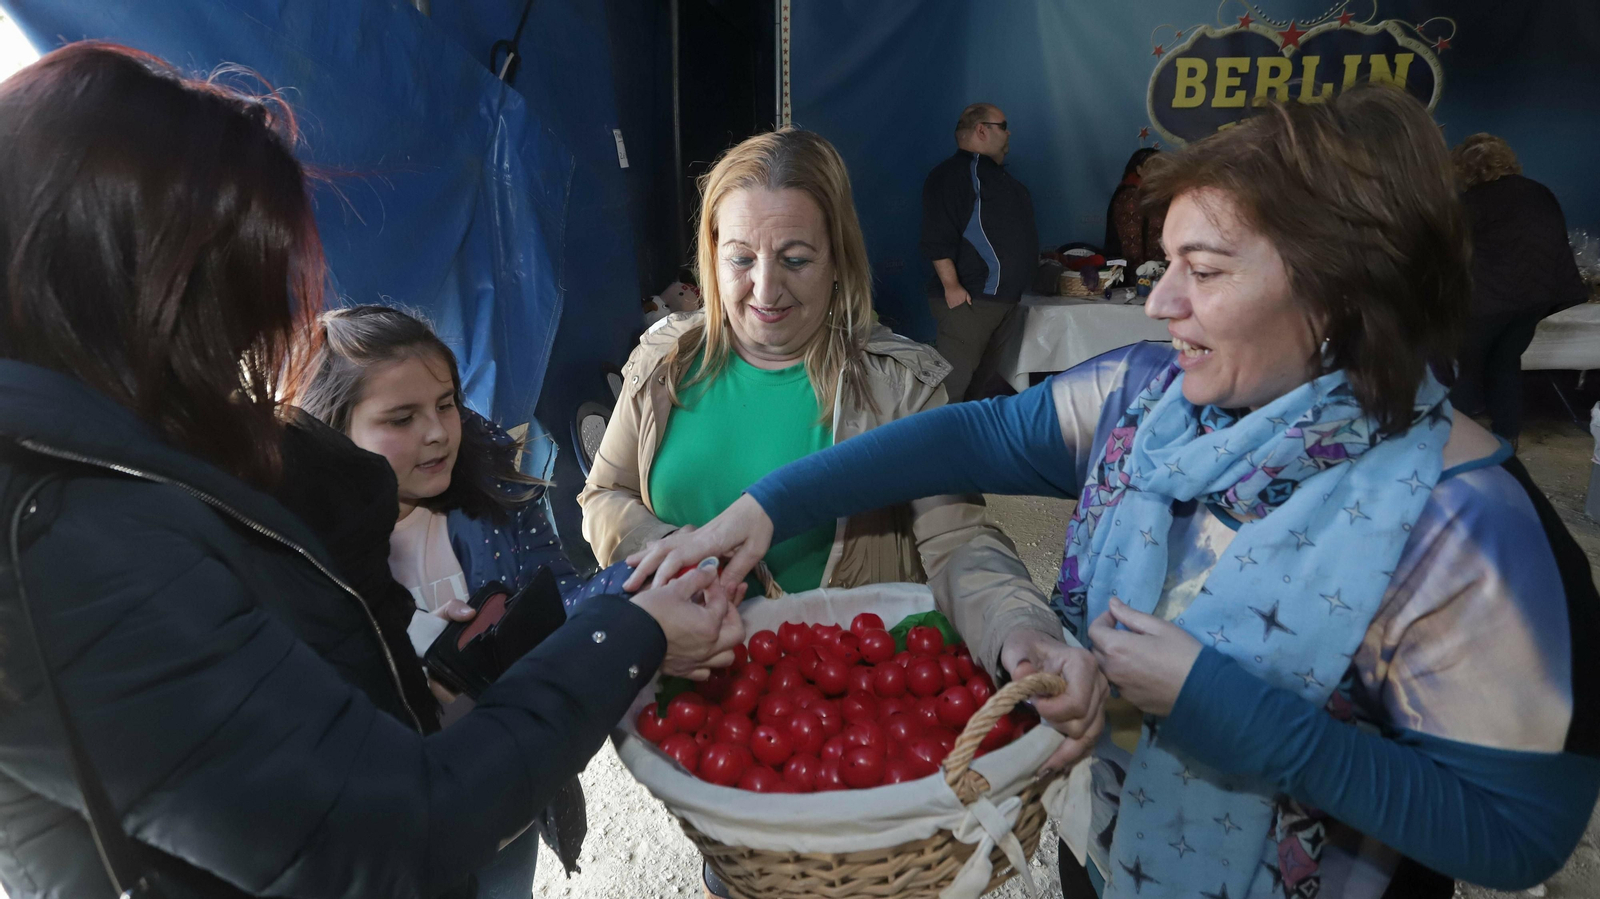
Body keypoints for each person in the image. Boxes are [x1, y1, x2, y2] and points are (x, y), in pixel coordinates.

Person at [626, 86, 1600, 899]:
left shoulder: (1464, 524)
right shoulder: (1147, 398)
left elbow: (1518, 834)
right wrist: (763, 509)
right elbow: (964, 436)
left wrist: (1227, 709)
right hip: (1106, 856)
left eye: (1202, 271)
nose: (1161, 301)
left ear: (1338, 292)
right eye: (1167, 264)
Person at [0, 43, 741, 898]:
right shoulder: (66, 540)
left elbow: (282, 696)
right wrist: (629, 633)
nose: (247, 341)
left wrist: (424, 677)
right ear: (120, 287)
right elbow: (392, 832)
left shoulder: (127, 464)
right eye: (229, 303)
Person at [580, 126, 1105, 898]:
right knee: (738, 872)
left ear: (839, 259)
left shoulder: (899, 386)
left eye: (795, 258)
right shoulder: (663, 363)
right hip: (712, 713)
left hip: (844, 730)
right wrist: (674, 548)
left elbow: (960, 541)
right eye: (740, 257)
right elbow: (604, 496)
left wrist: (1021, 629)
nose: (765, 288)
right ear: (710, 255)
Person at [285, 304, 646, 896]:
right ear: (332, 432)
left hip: (508, 800)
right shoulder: (300, 558)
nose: (436, 432)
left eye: (446, 403)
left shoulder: (489, 488)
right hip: (395, 836)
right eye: (401, 418)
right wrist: (407, 664)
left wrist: (640, 584)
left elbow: (559, 595)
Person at [1449, 133, 1589, 441]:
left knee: (1465, 371)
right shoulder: (1538, 192)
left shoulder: (1470, 203)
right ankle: (1507, 438)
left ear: (1464, 168)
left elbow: (1448, 255)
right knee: (1506, 366)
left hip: (1485, 303)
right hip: (1534, 299)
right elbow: (1556, 244)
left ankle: (1454, 444)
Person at [921, 102, 1039, 401]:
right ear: (981, 130)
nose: (1009, 133)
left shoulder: (1001, 178)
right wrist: (952, 286)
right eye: (1003, 126)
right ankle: (937, 434)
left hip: (1004, 301)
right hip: (971, 301)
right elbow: (937, 235)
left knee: (981, 391)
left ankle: (966, 433)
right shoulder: (954, 174)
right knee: (949, 391)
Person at [1102, 147, 1163, 271]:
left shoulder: (1155, 195)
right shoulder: (1131, 196)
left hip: (1157, 271)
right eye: (1155, 166)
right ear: (1139, 170)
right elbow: (1131, 248)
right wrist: (1143, 276)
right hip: (1139, 275)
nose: (1161, 171)